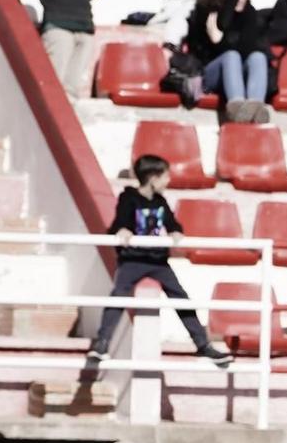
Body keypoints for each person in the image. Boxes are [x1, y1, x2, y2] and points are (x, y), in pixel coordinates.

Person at [86, 155, 233, 370]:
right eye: (165, 176)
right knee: (118, 295)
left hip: (158, 262)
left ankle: (203, 344)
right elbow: (120, 222)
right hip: (133, 259)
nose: (168, 181)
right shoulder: (128, 198)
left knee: (181, 298)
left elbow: (173, 223)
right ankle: (102, 343)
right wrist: (123, 230)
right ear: (152, 178)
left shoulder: (160, 202)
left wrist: (175, 232)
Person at [185, 0, 268, 116]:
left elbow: (248, 48)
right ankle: (236, 109)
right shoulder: (205, 9)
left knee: (257, 57)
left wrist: (220, 41)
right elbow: (199, 51)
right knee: (231, 56)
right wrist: (220, 43)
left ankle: (255, 108)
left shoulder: (249, 13)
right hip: (210, 75)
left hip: (238, 77)